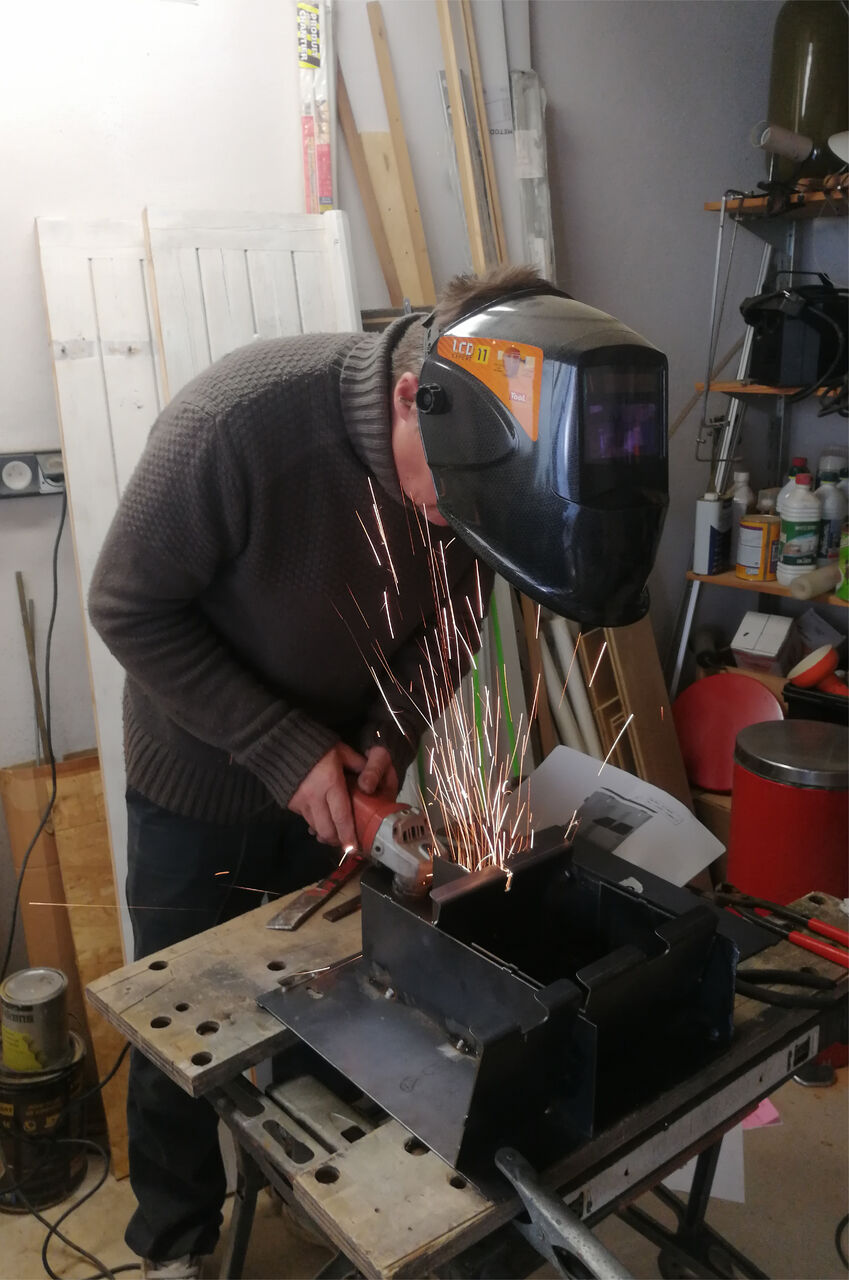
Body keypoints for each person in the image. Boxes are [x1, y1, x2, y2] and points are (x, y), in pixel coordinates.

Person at [88, 263, 549, 1278]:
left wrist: (392, 733)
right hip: (197, 781)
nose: (451, 527)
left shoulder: (483, 456)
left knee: (327, 1000)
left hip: (343, 774)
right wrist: (284, 747)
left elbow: (453, 628)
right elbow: (126, 606)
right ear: (408, 398)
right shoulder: (241, 421)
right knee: (186, 1023)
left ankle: (306, 1190)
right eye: (447, 504)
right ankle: (175, 1238)